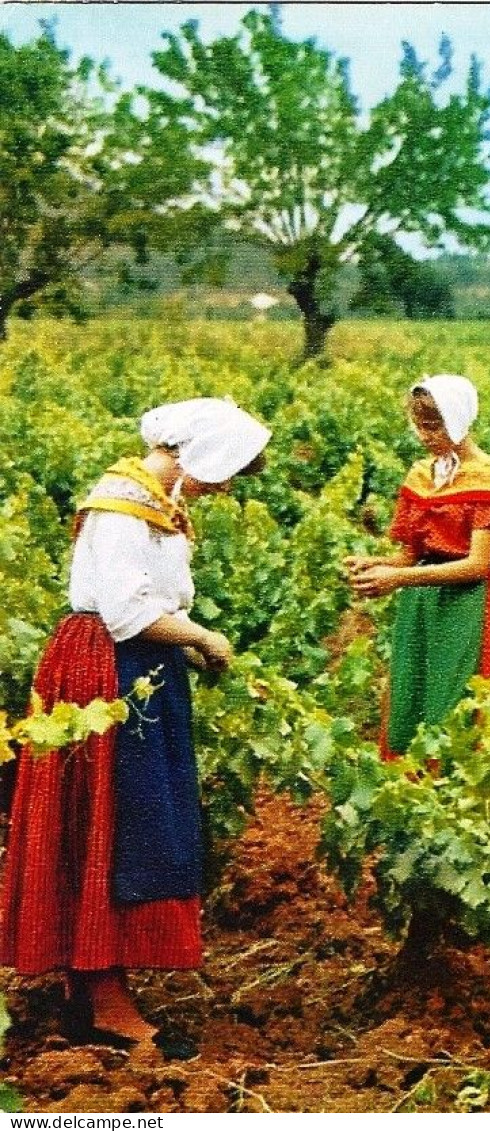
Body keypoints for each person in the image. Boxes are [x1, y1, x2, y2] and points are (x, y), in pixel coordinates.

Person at [0, 398, 270, 1059]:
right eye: (226, 470)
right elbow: (125, 611)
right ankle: (100, 994)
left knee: (130, 824)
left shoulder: (152, 502)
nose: (227, 485)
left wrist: (185, 646)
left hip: (139, 667)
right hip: (108, 671)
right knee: (113, 827)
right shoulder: (124, 507)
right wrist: (205, 638)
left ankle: (92, 981)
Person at [345, 375, 490, 759]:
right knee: (416, 698)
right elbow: (410, 554)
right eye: (418, 426)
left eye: (433, 427)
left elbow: (476, 565)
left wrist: (398, 578)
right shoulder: (423, 476)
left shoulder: (488, 477)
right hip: (424, 609)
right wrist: (376, 564)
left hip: (470, 606)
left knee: (462, 704)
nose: (423, 436)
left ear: (458, 420)